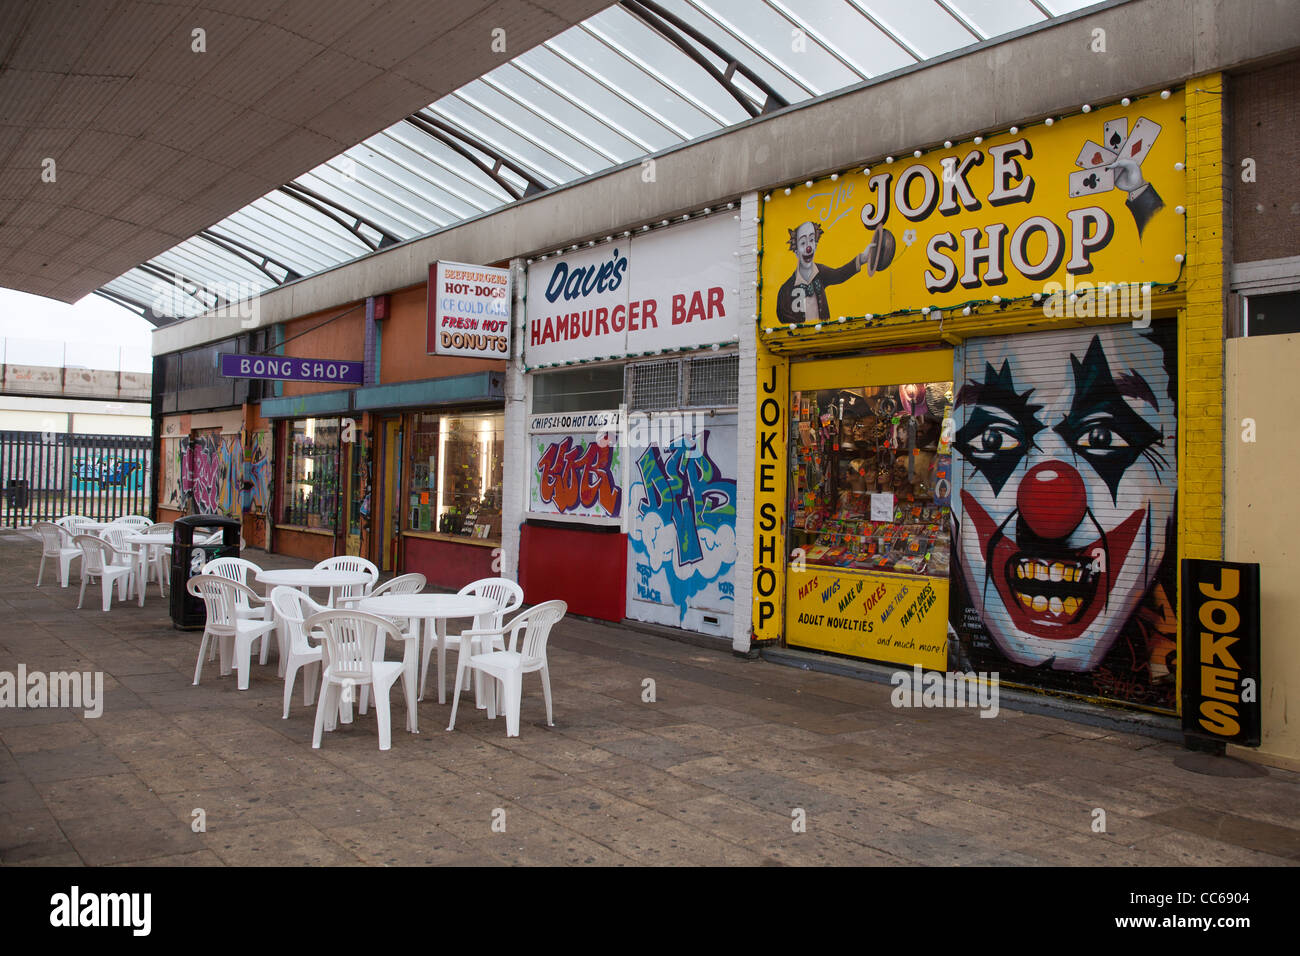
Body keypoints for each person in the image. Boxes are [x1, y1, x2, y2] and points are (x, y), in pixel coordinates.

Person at [775, 221, 894, 324]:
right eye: (802, 243)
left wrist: (862, 258)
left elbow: (839, 274)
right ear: (796, 251)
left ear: (815, 245)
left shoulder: (820, 272)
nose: (808, 247)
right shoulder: (785, 290)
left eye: (811, 240)